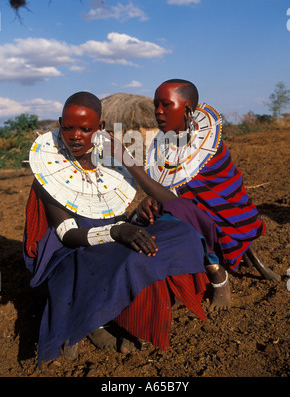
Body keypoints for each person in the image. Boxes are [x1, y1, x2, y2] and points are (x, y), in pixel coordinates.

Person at [23, 91, 212, 366]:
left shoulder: (110, 162)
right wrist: (116, 233)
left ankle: (124, 310)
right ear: (59, 123)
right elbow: (67, 233)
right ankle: (94, 321)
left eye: (85, 129)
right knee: (132, 257)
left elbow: (160, 205)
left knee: (181, 228)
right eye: (68, 127)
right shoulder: (49, 171)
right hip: (76, 251)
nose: (75, 135)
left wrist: (133, 190)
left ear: (99, 129)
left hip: (114, 238)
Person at [137, 79, 266, 312]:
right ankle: (178, 280)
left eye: (165, 104)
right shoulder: (162, 145)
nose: (157, 111)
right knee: (146, 219)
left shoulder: (208, 148)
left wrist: (139, 175)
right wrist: (149, 201)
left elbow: (186, 194)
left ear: (187, 109)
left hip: (221, 219)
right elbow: (164, 187)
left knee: (177, 210)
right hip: (180, 210)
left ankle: (218, 275)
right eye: (156, 104)